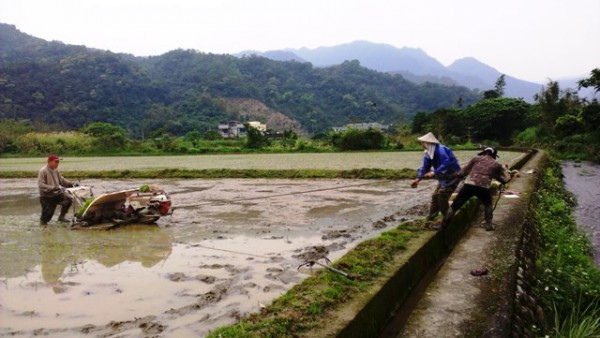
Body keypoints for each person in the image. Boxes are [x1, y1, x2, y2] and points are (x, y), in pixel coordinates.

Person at [441, 147, 511, 231]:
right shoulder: (497, 164)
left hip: (469, 185)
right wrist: (506, 174)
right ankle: (488, 224)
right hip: (484, 187)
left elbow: (462, 172)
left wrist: (454, 175)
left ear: (484, 152)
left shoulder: (475, 159)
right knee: (488, 204)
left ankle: (444, 226)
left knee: (454, 206)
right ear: (494, 155)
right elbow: (505, 179)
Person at [410, 132, 461, 225]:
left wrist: (433, 172)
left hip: (453, 176)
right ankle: (431, 217)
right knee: (435, 196)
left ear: (429, 143)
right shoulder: (428, 153)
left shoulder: (441, 149)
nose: (422, 145)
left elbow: (446, 162)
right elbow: (425, 167)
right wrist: (418, 179)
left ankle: (448, 219)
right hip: (443, 178)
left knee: (442, 195)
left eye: (423, 143)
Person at [38, 154, 76, 225]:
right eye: (56, 162)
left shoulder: (56, 171)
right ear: (49, 161)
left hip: (56, 193)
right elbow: (41, 185)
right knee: (47, 216)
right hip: (46, 196)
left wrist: (72, 184)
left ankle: (61, 217)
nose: (57, 164)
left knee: (68, 199)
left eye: (58, 162)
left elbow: (62, 181)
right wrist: (54, 187)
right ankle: (43, 226)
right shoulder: (43, 171)